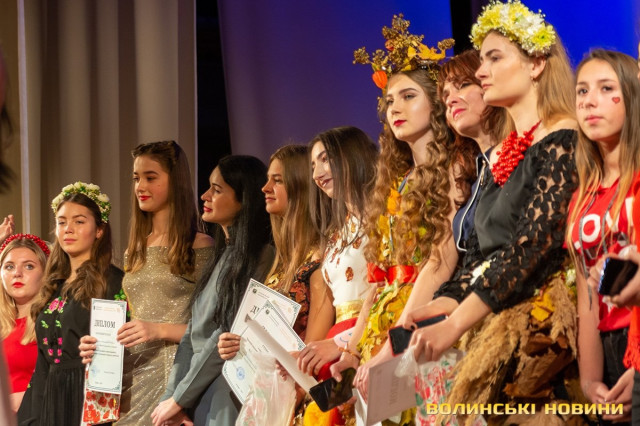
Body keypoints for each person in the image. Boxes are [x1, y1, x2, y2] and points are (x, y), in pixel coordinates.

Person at [401, 1, 580, 423]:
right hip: (492, 314)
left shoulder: (564, 137)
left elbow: (530, 248)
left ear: (536, 63)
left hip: (538, 332)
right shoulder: (505, 155)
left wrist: (454, 323)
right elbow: (480, 257)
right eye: (481, 61)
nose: (482, 72)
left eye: (494, 58)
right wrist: (443, 304)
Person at [327, 15, 473, 425]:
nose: (395, 108)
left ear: (436, 104)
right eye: (389, 101)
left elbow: (439, 263)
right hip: (382, 328)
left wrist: (397, 340)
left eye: (408, 96)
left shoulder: (455, 170)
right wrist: (352, 349)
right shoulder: (396, 181)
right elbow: (378, 279)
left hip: (422, 319)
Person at [80, 141, 214, 425]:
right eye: (136, 178)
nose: (140, 186)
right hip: (131, 374)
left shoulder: (200, 246)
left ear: (175, 181)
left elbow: (213, 329)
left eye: (151, 177)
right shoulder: (136, 249)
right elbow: (137, 318)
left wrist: (158, 329)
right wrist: (102, 344)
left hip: (174, 374)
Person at [149, 155, 274, 426]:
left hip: (224, 388)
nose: (205, 196)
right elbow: (190, 337)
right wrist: (173, 398)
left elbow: (225, 332)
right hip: (196, 390)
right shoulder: (220, 255)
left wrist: (180, 398)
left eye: (216, 190)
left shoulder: (262, 256)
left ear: (243, 200)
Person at [217, 145, 335, 420]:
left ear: (300, 187)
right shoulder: (281, 262)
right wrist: (238, 345)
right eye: (268, 179)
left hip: (295, 404)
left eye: (277, 180)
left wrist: (285, 407)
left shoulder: (319, 264)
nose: (265, 188)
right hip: (266, 395)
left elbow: (310, 357)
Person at [567, 49, 640, 424]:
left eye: (606, 88)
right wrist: (589, 379)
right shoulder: (582, 198)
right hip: (609, 349)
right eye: (582, 91)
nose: (589, 101)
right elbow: (587, 296)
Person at [17, 182, 124, 425]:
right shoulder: (53, 285)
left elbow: (120, 353)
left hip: (88, 396)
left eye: (79, 221)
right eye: (62, 222)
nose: (68, 229)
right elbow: (43, 363)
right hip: (51, 396)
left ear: (99, 230)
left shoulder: (112, 282)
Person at [296, 126, 378, 424]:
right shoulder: (338, 231)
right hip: (338, 343)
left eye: (325, 159)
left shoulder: (383, 216)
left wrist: (344, 344)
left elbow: (384, 290)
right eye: (312, 165)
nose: (317, 174)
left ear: (351, 155)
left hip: (370, 337)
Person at [0, 234, 49, 412]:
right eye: (9, 266)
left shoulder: (52, 322)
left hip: (36, 417)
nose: (17, 273)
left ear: (46, 273)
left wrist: (26, 398)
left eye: (29, 266)